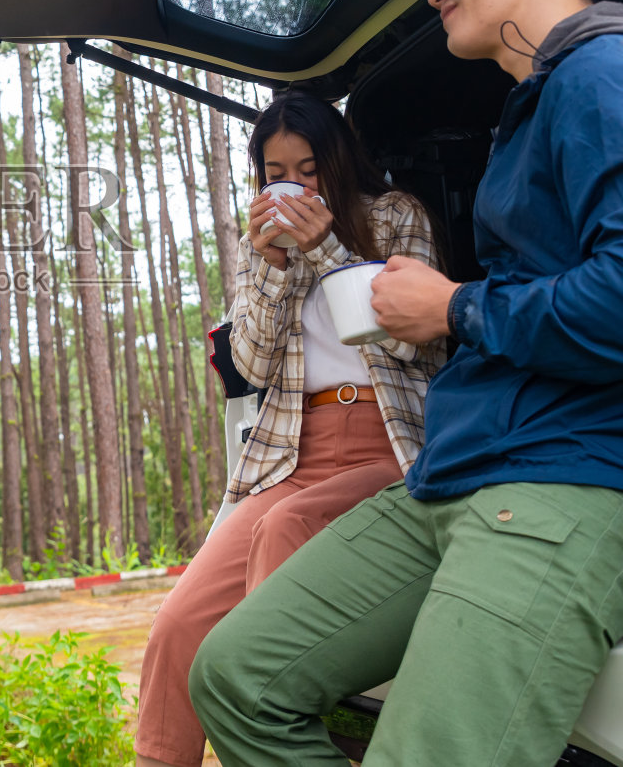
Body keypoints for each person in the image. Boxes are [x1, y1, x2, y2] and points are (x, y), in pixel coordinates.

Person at [188, 0, 623, 766]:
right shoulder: (535, 106)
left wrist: (454, 307)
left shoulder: (617, 70)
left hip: (581, 476)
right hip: (458, 476)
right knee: (235, 678)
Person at [134, 91, 447, 767]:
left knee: (287, 528)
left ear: (336, 159)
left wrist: (327, 251)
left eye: (307, 169)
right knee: (179, 622)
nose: (294, 186)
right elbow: (251, 363)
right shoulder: (264, 249)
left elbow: (413, 346)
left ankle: (281, 729)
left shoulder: (396, 216)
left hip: (386, 442)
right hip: (292, 452)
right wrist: (272, 266)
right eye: (277, 173)